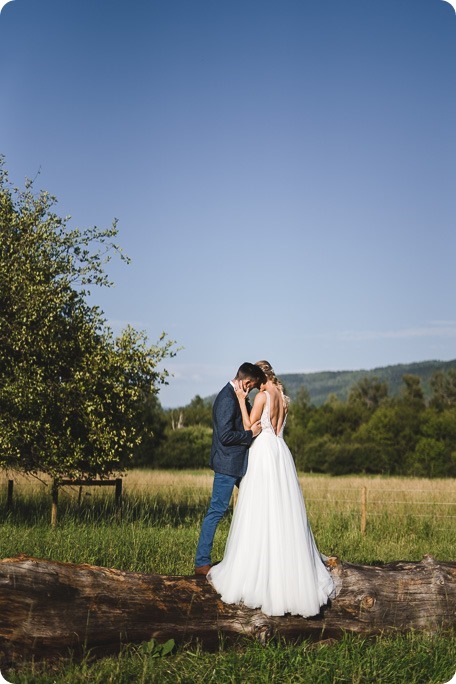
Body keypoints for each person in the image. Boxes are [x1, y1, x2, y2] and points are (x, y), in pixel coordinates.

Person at [207, 360, 335, 616]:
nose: (251, 386)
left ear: (259, 378)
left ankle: (257, 570)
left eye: (253, 381)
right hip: (280, 452)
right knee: (283, 511)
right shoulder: (284, 399)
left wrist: (244, 403)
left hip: (264, 453)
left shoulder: (263, 397)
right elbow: (277, 429)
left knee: (259, 509)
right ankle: (288, 571)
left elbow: (248, 427)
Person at [194, 362, 267, 576]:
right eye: (252, 386)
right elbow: (225, 437)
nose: (253, 390)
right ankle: (201, 563)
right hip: (227, 465)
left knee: (255, 506)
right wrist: (249, 435)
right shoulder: (227, 398)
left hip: (237, 464)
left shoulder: (236, 396)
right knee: (216, 511)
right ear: (246, 382)